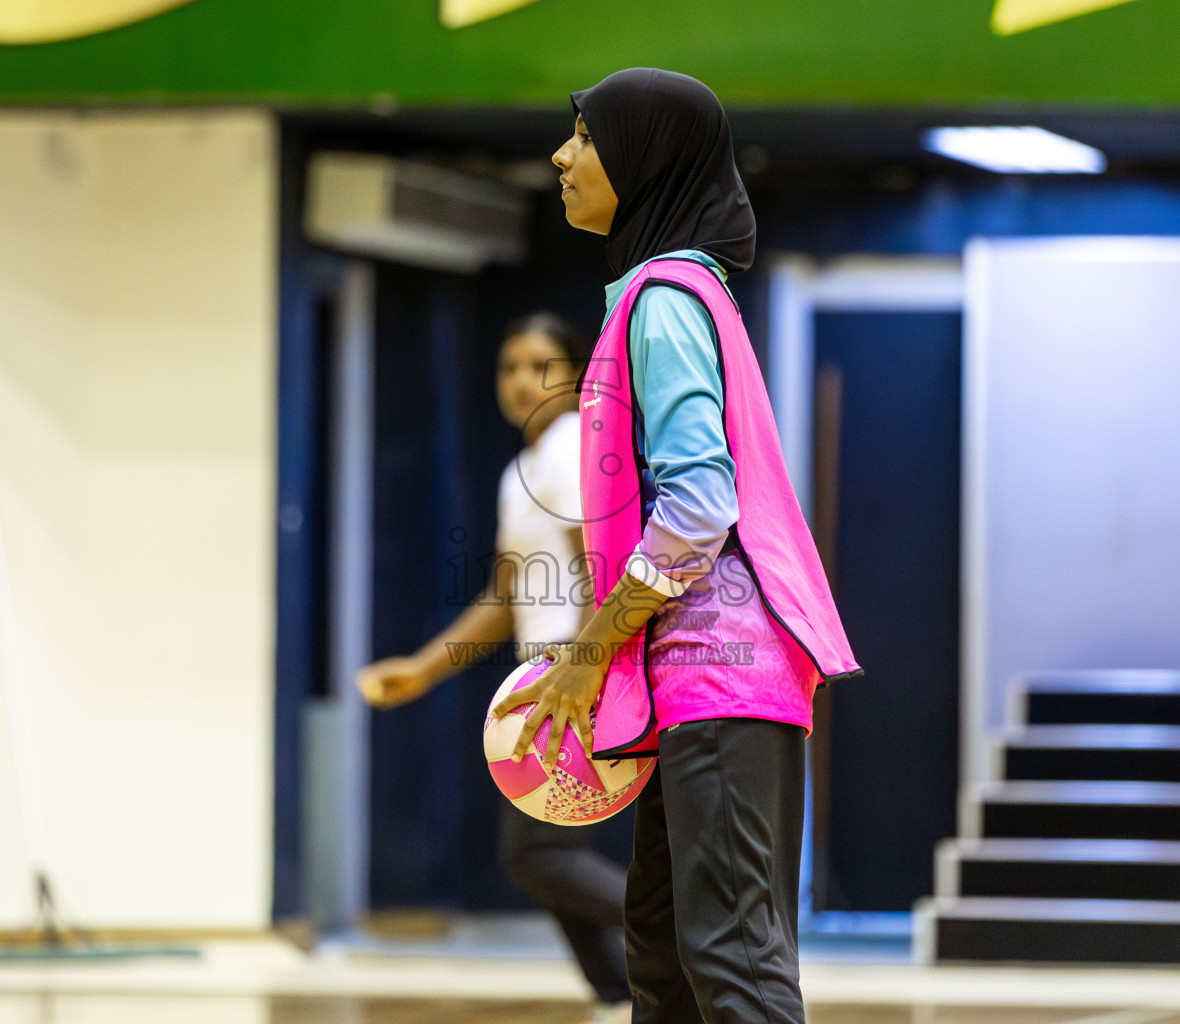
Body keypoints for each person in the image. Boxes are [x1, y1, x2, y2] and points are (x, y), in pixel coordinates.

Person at [493, 69, 861, 1024]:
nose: (562, 156)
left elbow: (699, 507)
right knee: (663, 969)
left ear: (645, 160)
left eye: (585, 136)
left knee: (732, 967)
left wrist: (589, 648)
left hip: (722, 673)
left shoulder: (664, 300)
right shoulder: (663, 295)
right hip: (686, 681)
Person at [355, 313, 631, 1024]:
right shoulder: (523, 468)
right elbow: (504, 598)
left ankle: (682, 940)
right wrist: (421, 668)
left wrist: (585, 671)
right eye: (509, 366)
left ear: (576, 377)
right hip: (543, 680)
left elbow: (604, 571)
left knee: (540, 851)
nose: (519, 381)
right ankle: (619, 992)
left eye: (540, 366)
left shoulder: (575, 447)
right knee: (534, 851)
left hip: (576, 680)